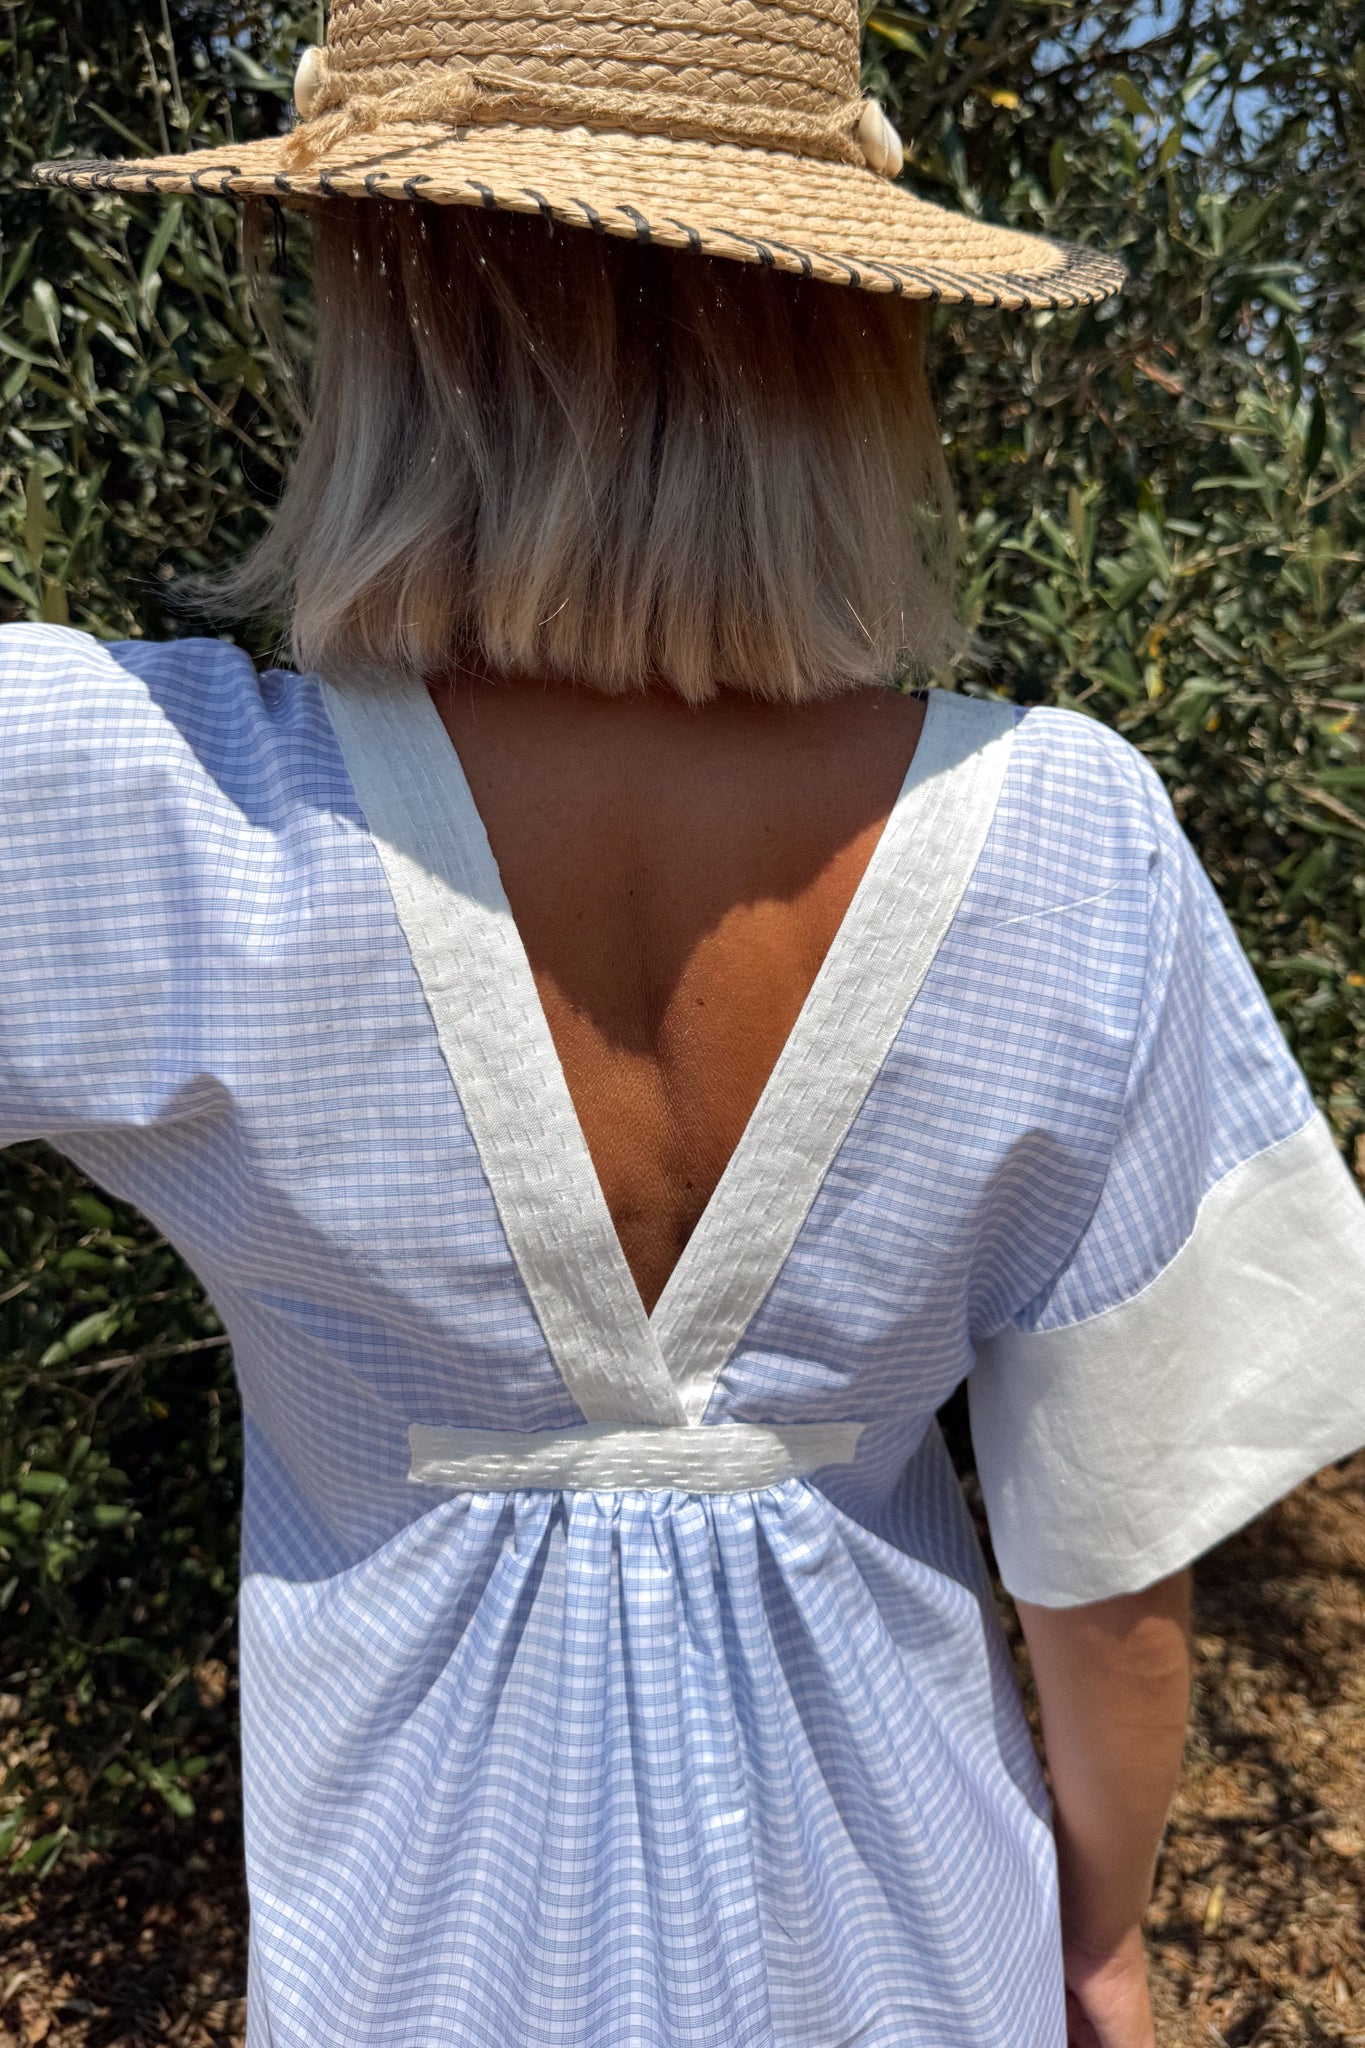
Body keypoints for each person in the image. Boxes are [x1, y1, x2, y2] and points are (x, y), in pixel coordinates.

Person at [10, 3, 1365, 2044]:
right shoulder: (1057, 837)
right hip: (914, 1955)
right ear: (848, 335)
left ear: (380, 309)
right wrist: (1097, 1930)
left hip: (410, 1969)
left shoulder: (142, 802)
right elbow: (1111, 1557)